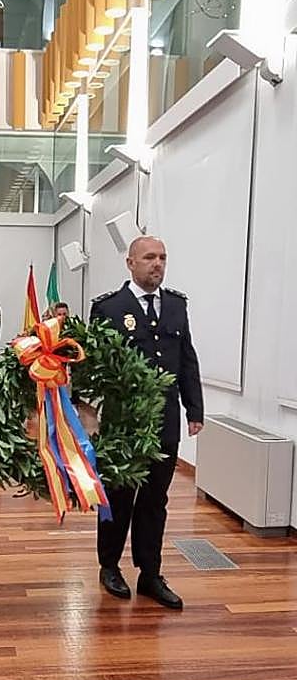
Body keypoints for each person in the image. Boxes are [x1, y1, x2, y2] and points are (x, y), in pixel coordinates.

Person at [91, 236, 203, 609]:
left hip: (164, 421)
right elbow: (95, 365)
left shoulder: (176, 305)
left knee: (156, 500)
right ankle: (109, 566)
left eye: (163, 258)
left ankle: (150, 573)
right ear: (131, 263)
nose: (158, 264)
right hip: (124, 422)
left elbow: (186, 358)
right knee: (118, 497)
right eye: (150, 257)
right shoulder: (109, 308)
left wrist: (194, 409)